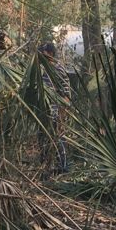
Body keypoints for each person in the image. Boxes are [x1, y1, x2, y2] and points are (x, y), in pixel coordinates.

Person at [37, 41, 71, 174]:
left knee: (58, 139)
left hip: (56, 112)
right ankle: (45, 168)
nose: (41, 56)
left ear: (50, 54)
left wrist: (63, 115)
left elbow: (66, 94)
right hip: (43, 111)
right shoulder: (40, 69)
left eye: (43, 53)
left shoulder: (58, 69)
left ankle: (62, 168)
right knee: (42, 139)